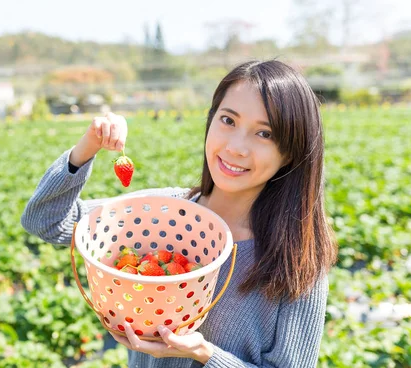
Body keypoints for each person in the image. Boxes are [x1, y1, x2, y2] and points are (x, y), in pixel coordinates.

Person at [21, 60, 338, 367]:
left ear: (290, 153)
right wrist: (87, 147)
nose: (236, 147)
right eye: (228, 120)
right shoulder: (161, 213)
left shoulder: (297, 259)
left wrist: (204, 355)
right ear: (211, 121)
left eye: (264, 133)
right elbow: (46, 222)